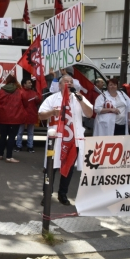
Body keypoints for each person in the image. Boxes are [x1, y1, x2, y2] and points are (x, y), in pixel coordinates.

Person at [39, 75, 93, 206]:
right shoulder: (52, 99)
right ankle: (47, 194)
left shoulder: (79, 98)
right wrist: (52, 112)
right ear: (60, 85)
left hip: (73, 140)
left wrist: (81, 101)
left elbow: (90, 114)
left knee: (68, 168)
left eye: (71, 82)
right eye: (66, 82)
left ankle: (63, 194)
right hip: (56, 140)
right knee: (51, 168)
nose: (68, 84)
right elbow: (40, 115)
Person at [0, 74, 26, 162]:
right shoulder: (19, 91)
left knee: (2, 136)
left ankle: (0, 154)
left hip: (3, 117)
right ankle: (9, 157)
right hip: (15, 118)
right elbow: (25, 103)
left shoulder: (1, 91)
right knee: (12, 137)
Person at [16, 78, 40, 153]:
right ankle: (18, 146)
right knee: (20, 132)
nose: (31, 84)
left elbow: (37, 103)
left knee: (30, 132)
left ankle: (30, 146)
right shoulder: (20, 92)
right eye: (29, 83)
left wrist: (37, 99)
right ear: (24, 84)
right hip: (22, 114)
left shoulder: (33, 92)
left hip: (31, 114)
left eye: (30, 83)